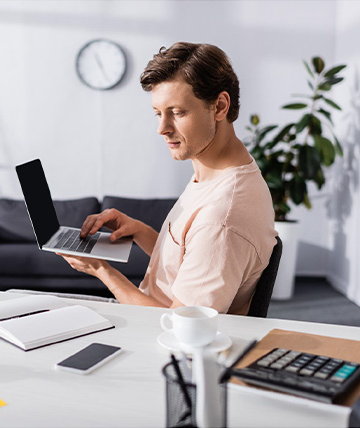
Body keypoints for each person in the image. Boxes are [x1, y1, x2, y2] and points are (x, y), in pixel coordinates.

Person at [58, 42, 278, 315]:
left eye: (177, 112)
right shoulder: (213, 174)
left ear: (219, 106)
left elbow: (181, 326)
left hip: (156, 337)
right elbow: (190, 260)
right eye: (158, 114)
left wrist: (102, 271)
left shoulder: (223, 217)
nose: (162, 128)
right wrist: (138, 230)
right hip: (146, 316)